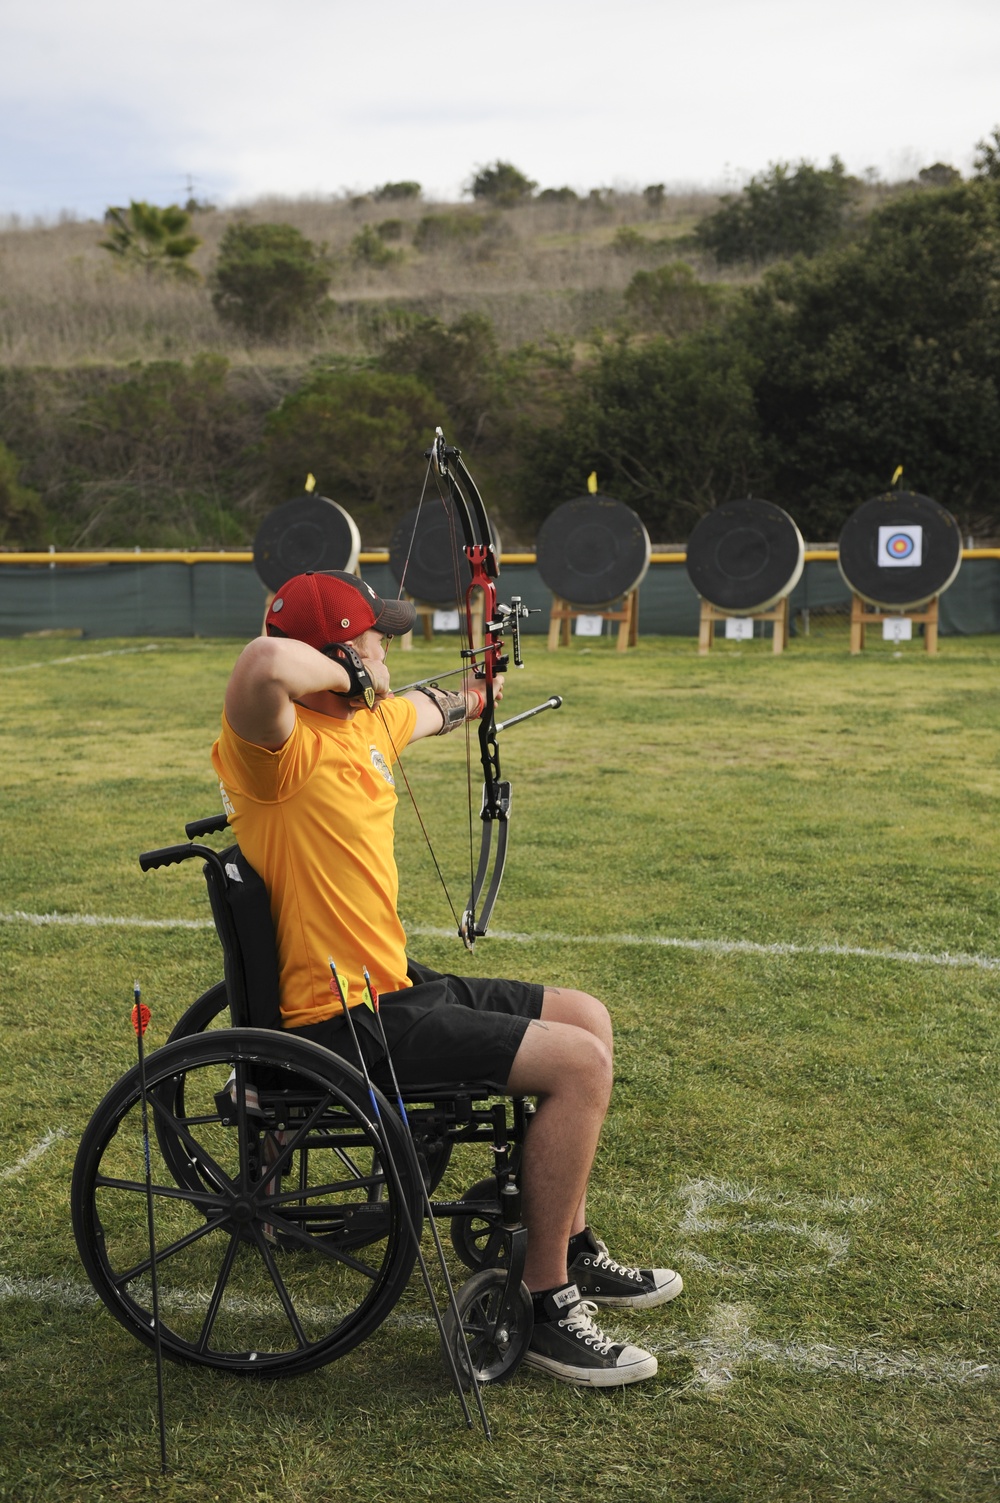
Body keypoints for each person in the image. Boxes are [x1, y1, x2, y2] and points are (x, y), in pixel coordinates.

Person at [212, 569, 682, 1387]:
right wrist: (347, 671)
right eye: (375, 635)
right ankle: (546, 1301)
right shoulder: (273, 754)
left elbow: (445, 705)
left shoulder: (369, 726)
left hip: (393, 985)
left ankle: (570, 1244)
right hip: (339, 1017)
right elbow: (260, 665)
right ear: (335, 652)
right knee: (581, 1067)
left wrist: (486, 679)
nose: (388, 645)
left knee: (588, 1018)